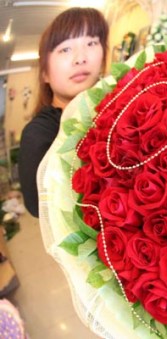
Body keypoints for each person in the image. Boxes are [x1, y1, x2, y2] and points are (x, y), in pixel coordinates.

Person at [19, 7, 109, 217]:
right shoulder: (40, 133)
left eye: (91, 43)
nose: (80, 58)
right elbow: (38, 207)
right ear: (44, 74)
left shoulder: (119, 109)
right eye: (65, 49)